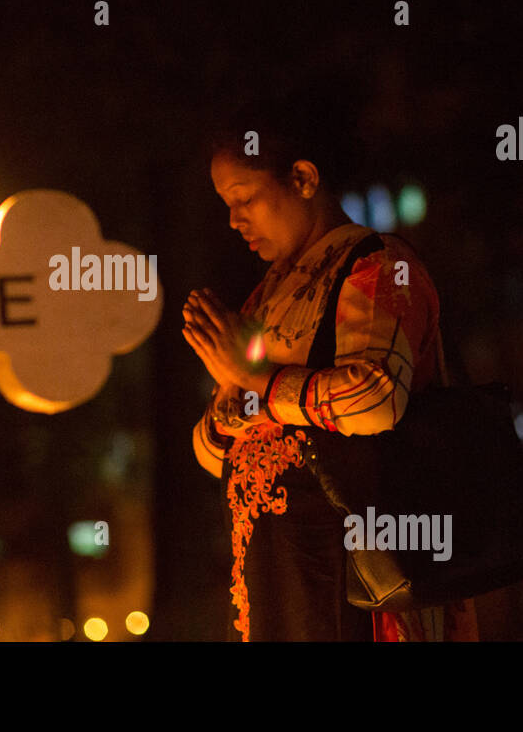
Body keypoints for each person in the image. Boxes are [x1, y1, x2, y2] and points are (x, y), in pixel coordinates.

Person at [183, 93, 479, 642]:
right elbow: (209, 451)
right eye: (225, 202)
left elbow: (376, 398)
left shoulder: (378, 267)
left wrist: (256, 381)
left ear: (302, 178)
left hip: (359, 585)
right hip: (275, 580)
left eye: (244, 196)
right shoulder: (264, 300)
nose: (233, 219)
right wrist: (230, 391)